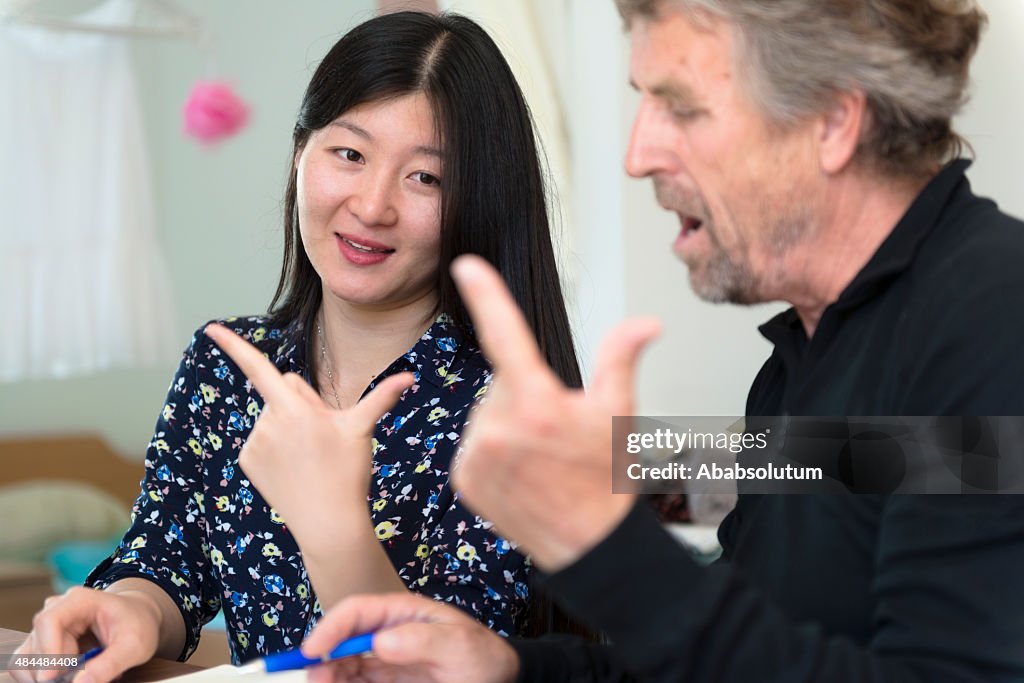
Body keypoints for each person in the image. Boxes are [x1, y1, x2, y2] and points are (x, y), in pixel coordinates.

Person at [289, 1, 1024, 682]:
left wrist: (605, 540)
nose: (637, 154)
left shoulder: (994, 317)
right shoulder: (804, 360)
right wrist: (508, 668)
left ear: (833, 122)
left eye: (680, 106)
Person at [12, 10, 583, 682]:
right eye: (350, 154)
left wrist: (333, 520)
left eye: (425, 177)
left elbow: (441, 668)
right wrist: (133, 608)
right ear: (299, 153)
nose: (372, 205)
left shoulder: (511, 408)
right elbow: (166, 560)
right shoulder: (225, 363)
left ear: (474, 201)